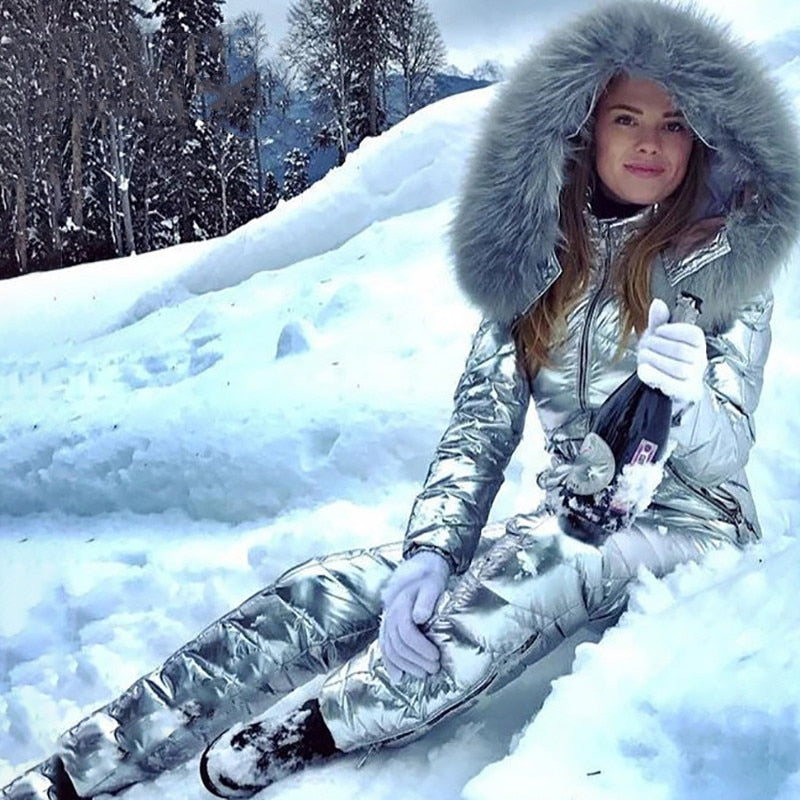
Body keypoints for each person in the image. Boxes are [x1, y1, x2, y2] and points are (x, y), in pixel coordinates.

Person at [5, 1, 800, 798]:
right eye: (628, 118)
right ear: (585, 128)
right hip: (570, 516)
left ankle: (314, 726)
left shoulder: (727, 260)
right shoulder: (535, 262)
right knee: (317, 593)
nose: (651, 142)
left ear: (702, 138)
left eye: (674, 123)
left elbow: (726, 449)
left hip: (689, 528)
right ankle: (78, 769)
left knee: (524, 577)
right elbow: (479, 430)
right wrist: (431, 555)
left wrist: (687, 399)